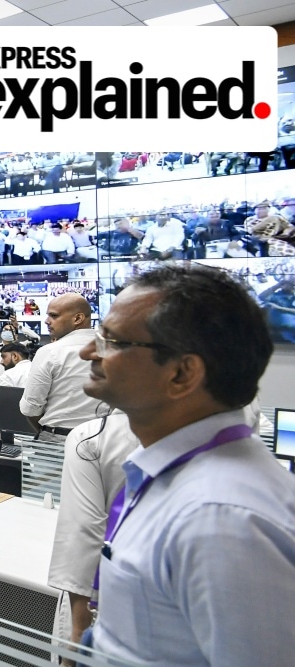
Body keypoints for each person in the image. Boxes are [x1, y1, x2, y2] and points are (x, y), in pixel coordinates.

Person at [79, 263, 295, 665]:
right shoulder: (174, 475)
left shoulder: (223, 520)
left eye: (111, 340)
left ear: (181, 373)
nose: (87, 351)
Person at [18, 293, 100, 439]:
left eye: (54, 316)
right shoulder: (115, 349)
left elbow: (30, 408)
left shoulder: (49, 352)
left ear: (78, 319)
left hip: (59, 441)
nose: (46, 321)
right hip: (105, 441)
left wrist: (49, 432)